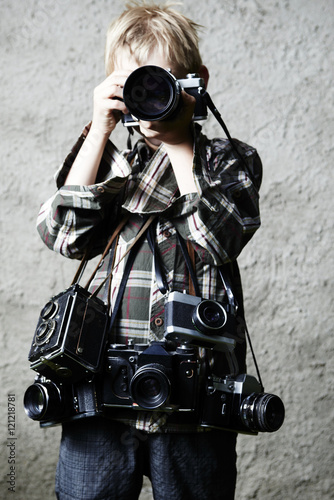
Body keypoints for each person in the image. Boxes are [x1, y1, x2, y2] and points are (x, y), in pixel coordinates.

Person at [36, 2, 262, 499]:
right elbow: (63, 236)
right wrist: (98, 130)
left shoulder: (231, 160)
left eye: (160, 82)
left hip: (196, 393)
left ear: (195, 81)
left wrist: (180, 144)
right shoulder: (111, 158)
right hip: (101, 387)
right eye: (135, 83)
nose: (150, 95)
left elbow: (219, 240)